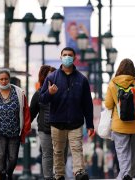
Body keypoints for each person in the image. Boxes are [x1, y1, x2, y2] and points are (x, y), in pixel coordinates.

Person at [39, 47, 95, 180]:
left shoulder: (82, 79)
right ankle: (59, 175)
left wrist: (90, 124)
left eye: (70, 55)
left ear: (74, 58)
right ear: (60, 57)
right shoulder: (52, 78)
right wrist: (49, 93)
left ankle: (79, 172)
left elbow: (87, 104)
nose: (67, 57)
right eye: (65, 55)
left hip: (75, 122)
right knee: (58, 151)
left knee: (77, 149)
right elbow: (41, 99)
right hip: (57, 122)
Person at [30, 65, 56, 180]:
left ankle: (59, 175)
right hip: (44, 129)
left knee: (60, 154)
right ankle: (48, 177)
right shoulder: (38, 93)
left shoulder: (61, 91)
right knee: (47, 154)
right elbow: (31, 113)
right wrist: (24, 128)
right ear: (43, 77)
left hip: (60, 128)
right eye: (49, 75)